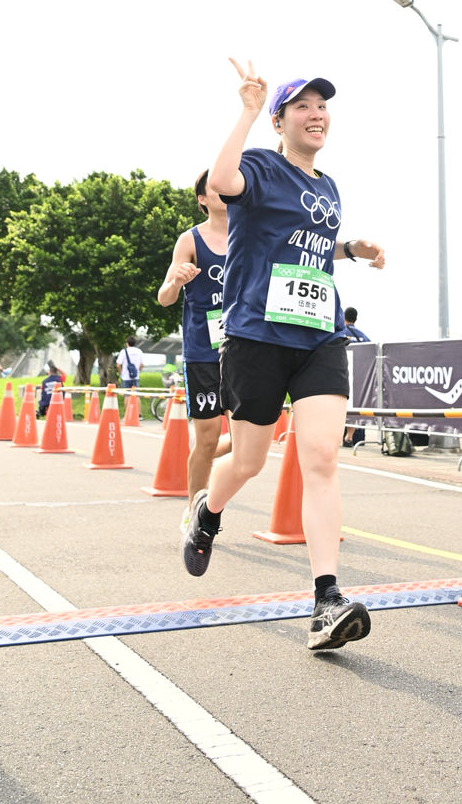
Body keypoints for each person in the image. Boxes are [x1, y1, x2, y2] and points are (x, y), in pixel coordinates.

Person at [182, 60, 385, 652]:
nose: (316, 114)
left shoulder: (328, 186)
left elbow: (309, 245)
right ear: (280, 121)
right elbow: (221, 180)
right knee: (248, 461)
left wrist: (351, 248)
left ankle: (326, 600)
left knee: (321, 456)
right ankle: (207, 511)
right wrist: (246, 110)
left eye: (323, 107)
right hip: (257, 335)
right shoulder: (261, 166)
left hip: (319, 335)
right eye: (303, 106)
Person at [157, 168, 233, 530]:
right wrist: (177, 279)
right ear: (202, 199)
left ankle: (203, 475)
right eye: (215, 189)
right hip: (204, 353)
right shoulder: (190, 239)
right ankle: (195, 513)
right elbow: (164, 297)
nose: (224, 192)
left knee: (247, 443)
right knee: (207, 440)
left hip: (245, 351)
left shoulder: (249, 234)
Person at [342, 308, 370, 446]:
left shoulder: (340, 333)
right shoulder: (362, 336)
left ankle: (343, 436)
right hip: (359, 376)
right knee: (355, 406)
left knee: (341, 404)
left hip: (342, 374)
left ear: (343, 317)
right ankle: (353, 437)